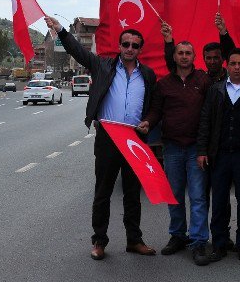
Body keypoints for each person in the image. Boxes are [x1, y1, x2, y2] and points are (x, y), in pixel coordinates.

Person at [44, 15, 158, 260]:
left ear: (140, 49)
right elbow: (78, 52)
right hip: (108, 137)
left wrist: (149, 120)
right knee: (103, 192)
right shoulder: (103, 66)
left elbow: (155, 106)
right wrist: (61, 30)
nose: (129, 49)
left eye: (134, 45)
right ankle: (99, 241)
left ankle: (134, 240)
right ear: (119, 46)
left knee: (132, 193)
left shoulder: (148, 75)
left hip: (134, 140)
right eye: (125, 44)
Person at [141, 35, 212, 266]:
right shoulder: (164, 84)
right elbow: (156, 112)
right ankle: (178, 235)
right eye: (180, 53)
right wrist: (148, 123)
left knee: (198, 196)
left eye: (188, 53)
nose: (184, 56)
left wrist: (205, 147)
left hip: (196, 148)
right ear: (175, 56)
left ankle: (199, 240)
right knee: (174, 195)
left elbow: (209, 115)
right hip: (172, 147)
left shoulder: (203, 80)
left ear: (194, 56)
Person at [197, 48, 240, 262]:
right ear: (227, 66)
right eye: (232, 63)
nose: (236, 67)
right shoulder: (215, 90)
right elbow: (205, 121)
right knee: (219, 201)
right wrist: (202, 151)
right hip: (220, 155)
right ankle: (219, 243)